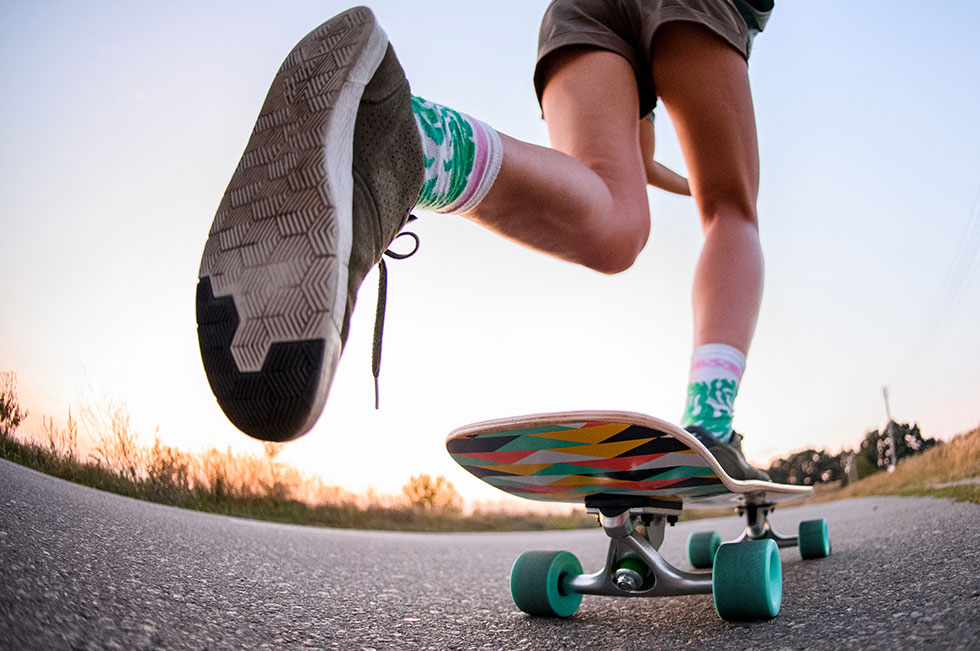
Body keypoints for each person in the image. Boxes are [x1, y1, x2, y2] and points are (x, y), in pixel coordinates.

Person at [196, 0, 774, 481]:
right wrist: (716, 189)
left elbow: (640, 161)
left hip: (582, 14)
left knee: (615, 225)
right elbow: (721, 201)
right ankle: (711, 424)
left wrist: (687, 181)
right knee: (732, 216)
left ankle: (412, 145)